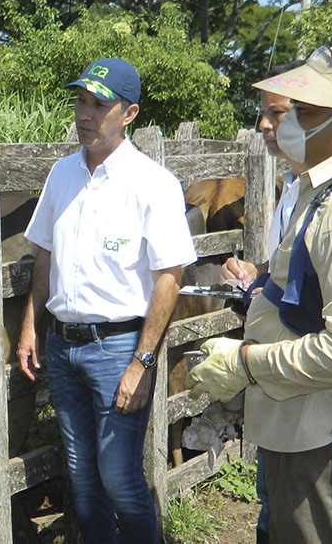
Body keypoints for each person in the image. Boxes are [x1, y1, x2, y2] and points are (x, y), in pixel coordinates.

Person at [186, 41, 332, 544]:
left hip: (331, 433)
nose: (282, 124)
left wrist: (248, 363)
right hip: (316, 425)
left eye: (306, 110)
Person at [16, 57, 197, 544]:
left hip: (118, 350)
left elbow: (169, 279)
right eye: (80, 101)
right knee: (82, 479)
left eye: (99, 104)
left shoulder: (153, 183)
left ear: (129, 114)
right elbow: (43, 258)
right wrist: (32, 326)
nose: (85, 114)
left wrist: (142, 362)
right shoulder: (61, 174)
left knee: (120, 480)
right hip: (63, 344)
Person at [221, 58, 307, 544]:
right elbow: (287, 273)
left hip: (308, 393)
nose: (263, 125)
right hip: (281, 389)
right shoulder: (293, 188)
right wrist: (255, 274)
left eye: (277, 113)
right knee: (273, 512)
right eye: (262, 113)